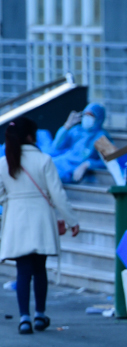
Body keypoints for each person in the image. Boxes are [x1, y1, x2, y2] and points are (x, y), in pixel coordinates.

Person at [0, 117, 81, 335]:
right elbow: (58, 195)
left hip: (16, 221)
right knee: (40, 269)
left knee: (22, 271)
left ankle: (24, 318)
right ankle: (39, 315)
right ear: (29, 136)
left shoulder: (4, 162)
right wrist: (72, 220)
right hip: (41, 220)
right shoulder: (44, 160)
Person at [46, 103, 110, 183]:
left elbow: (111, 160)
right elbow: (57, 146)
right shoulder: (77, 130)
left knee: (50, 177)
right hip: (63, 161)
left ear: (98, 118)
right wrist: (67, 125)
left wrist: (88, 164)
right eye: (85, 114)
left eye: (91, 115)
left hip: (73, 168)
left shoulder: (101, 136)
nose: (87, 118)